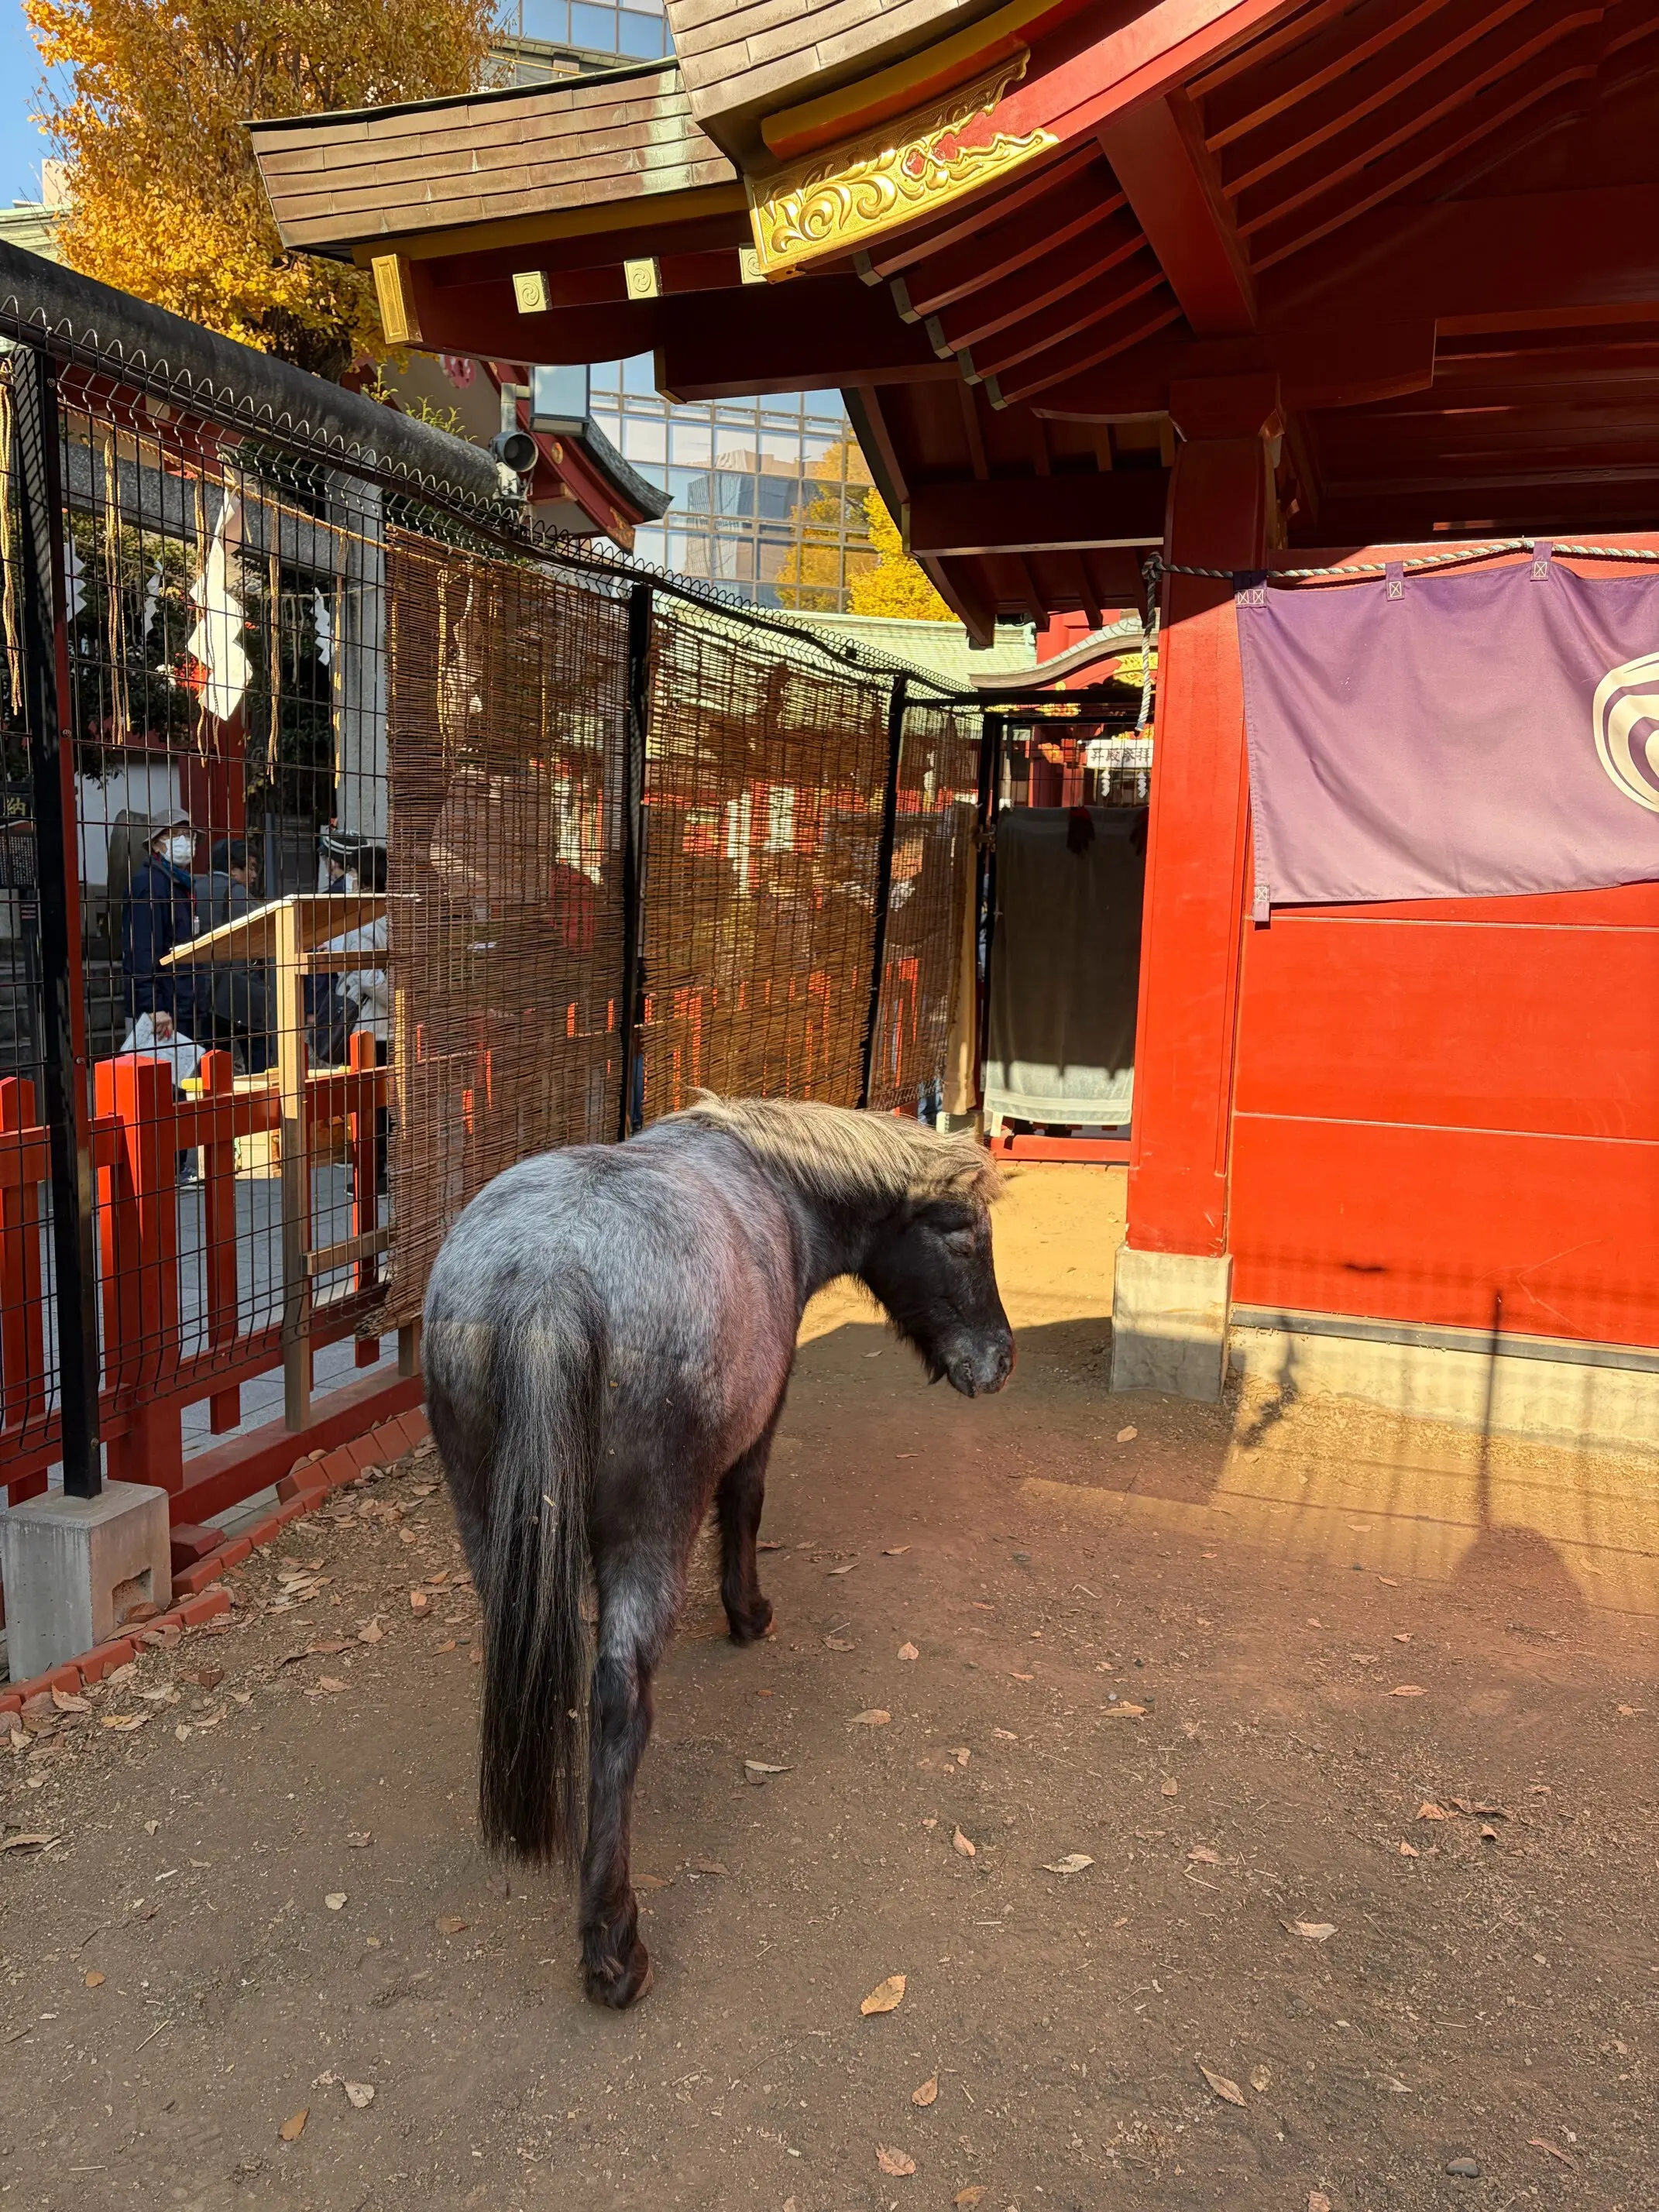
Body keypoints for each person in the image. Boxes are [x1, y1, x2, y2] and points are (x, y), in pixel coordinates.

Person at [195, 838, 273, 1074]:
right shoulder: (240, 895)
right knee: (258, 1058)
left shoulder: (193, 889)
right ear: (232, 869)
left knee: (214, 1062)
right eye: (249, 867)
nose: (253, 875)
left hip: (206, 989)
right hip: (243, 990)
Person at [121, 809, 201, 1036]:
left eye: (189, 835)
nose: (184, 841)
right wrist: (153, 1006)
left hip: (181, 1000)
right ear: (155, 845)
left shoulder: (180, 883)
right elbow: (141, 948)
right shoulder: (149, 884)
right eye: (173, 835)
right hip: (161, 1008)